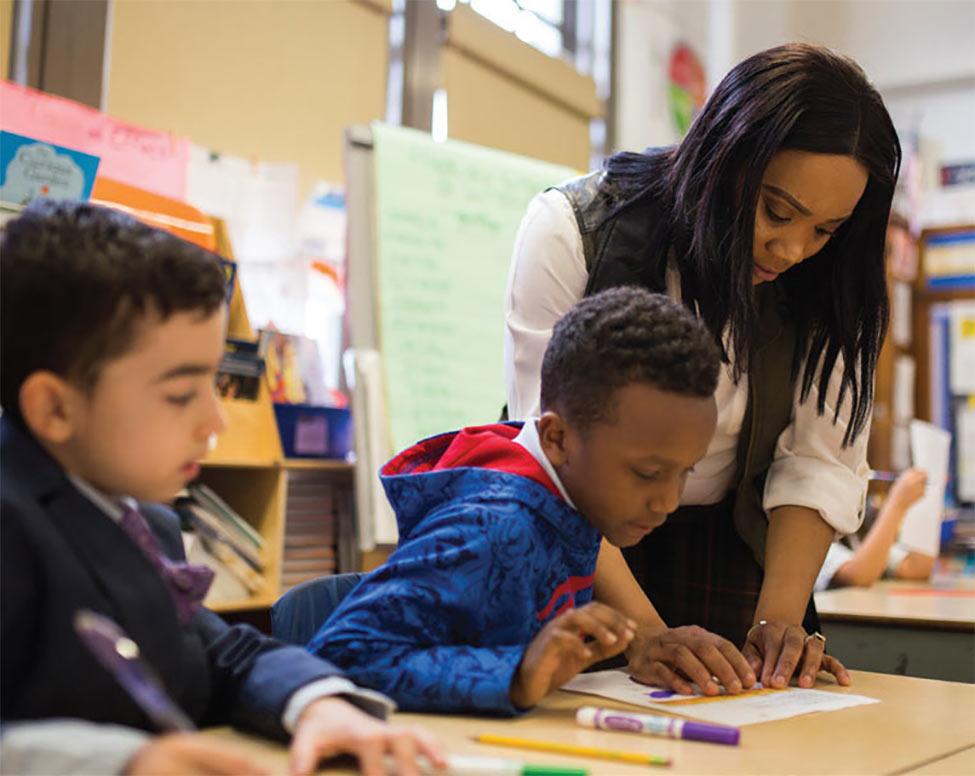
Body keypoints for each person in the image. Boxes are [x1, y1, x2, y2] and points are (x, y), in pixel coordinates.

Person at [504, 42, 901, 693]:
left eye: (825, 229)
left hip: (733, 544)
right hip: (581, 535)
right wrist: (645, 633)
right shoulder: (576, 229)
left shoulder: (832, 277)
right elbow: (550, 453)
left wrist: (777, 623)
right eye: (776, 211)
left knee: (753, 717)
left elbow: (817, 461)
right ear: (724, 160)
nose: (793, 248)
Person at [0, 200, 443, 776]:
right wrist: (122, 763)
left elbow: (218, 650)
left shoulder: (142, 520)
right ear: (55, 407)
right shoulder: (12, 523)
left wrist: (316, 705)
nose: (215, 422)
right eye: (182, 394)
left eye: (216, 384)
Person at [309, 286, 740, 713]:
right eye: (647, 473)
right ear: (556, 438)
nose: (667, 501)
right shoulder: (493, 528)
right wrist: (517, 674)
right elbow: (336, 656)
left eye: (685, 472)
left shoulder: (575, 498)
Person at [815, 468, 934, 591]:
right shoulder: (811, 529)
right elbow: (859, 576)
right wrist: (897, 504)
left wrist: (924, 501)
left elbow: (915, 568)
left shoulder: (855, 529)